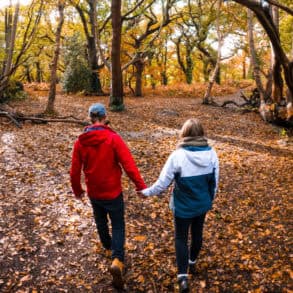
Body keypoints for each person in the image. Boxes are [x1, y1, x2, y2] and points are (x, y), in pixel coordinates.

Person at [70, 103, 146, 289]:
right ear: (104, 118)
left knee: (100, 220)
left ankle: (107, 245)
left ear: (90, 119)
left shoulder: (81, 141)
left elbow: (74, 171)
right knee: (118, 224)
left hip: (94, 192)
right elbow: (128, 165)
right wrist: (140, 186)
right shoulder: (113, 138)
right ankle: (117, 259)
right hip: (113, 192)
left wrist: (77, 190)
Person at [139, 118, 219, 293]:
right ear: (201, 134)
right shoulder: (212, 154)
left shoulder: (178, 156)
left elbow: (162, 183)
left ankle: (183, 277)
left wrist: (146, 192)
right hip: (202, 205)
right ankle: (192, 262)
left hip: (182, 208)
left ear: (184, 134)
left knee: (181, 238)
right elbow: (214, 183)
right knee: (198, 233)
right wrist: (209, 200)